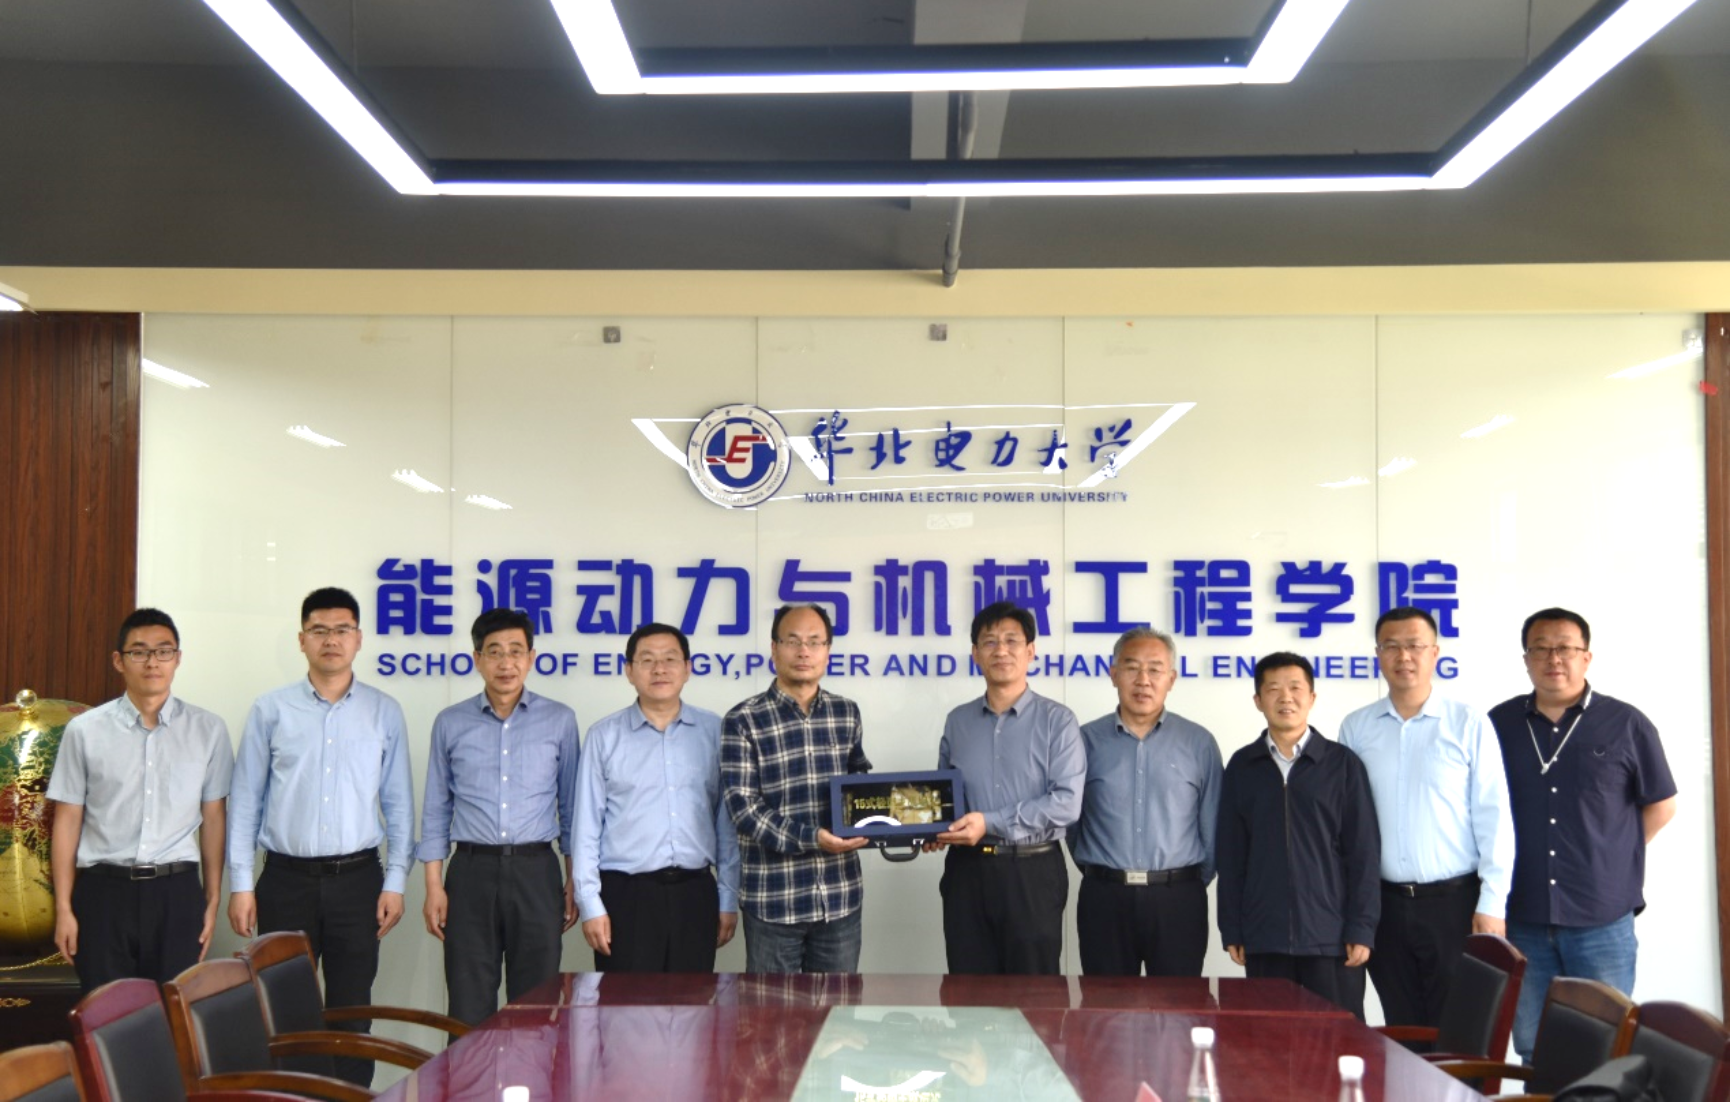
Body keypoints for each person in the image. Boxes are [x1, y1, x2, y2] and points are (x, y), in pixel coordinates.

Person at [226, 587, 415, 1086]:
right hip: (284, 881)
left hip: (359, 882)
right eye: (320, 630)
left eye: (342, 630)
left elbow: (399, 805)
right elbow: (245, 802)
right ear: (302, 639)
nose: (331, 640)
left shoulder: (383, 711)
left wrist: (395, 882)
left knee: (352, 1014)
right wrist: (241, 884)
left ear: (359, 638)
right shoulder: (271, 710)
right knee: (285, 1017)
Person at [1488, 608, 1677, 1062]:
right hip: (1523, 914)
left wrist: (1612, 856)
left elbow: (1662, 804)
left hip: (1602, 917)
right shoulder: (1499, 724)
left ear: (1586, 657)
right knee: (1532, 1046)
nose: (1553, 658)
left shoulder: (1626, 723)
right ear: (1526, 659)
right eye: (1541, 649)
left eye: (1565, 648)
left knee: (1605, 1047)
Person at [1338, 606, 1514, 1029]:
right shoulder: (1356, 728)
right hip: (1383, 906)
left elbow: (1494, 817)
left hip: (1455, 905)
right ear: (1378, 655)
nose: (1404, 656)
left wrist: (1492, 902)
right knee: (1401, 1026)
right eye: (1391, 646)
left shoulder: (1468, 723)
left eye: (1415, 646)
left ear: (1434, 653)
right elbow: (1346, 825)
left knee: (1459, 1029)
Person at [48, 608, 233, 993]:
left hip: (176, 893)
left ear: (177, 658)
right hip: (103, 894)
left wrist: (212, 899)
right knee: (107, 1013)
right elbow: (67, 820)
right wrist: (64, 908)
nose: (152, 662)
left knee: (174, 1013)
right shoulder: (84, 731)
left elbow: (214, 816)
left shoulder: (208, 729)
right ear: (119, 661)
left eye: (163, 651)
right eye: (139, 652)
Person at [418, 608, 580, 1024]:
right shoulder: (450, 723)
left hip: (536, 870)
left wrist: (573, 879)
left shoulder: (560, 720)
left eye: (515, 651)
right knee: (468, 1006)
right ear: (477, 659)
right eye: (494, 652)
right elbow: (436, 809)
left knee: (536, 1006)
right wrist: (434, 886)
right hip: (471, 872)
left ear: (531, 657)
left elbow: (571, 809)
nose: (506, 663)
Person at [1217, 652, 1380, 1020]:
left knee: (1338, 1039)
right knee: (1270, 1040)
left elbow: (1364, 854)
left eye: (1295, 688)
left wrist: (1362, 927)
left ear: (1312, 697)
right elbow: (1231, 853)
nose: (1285, 698)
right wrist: (1232, 928)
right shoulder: (1243, 766)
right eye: (1273, 689)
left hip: (1331, 938)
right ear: (1258, 700)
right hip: (1265, 935)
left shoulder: (1342, 765)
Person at [575, 622, 740, 972]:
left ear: (688, 668)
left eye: (670, 659)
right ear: (629, 671)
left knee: (693, 1002)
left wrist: (727, 897)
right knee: (625, 1004)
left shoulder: (715, 731)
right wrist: (590, 904)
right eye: (647, 660)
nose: (659, 669)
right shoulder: (604, 736)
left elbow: (726, 824)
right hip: (625, 897)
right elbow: (585, 828)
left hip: (695, 894)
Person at [933, 600, 1086, 975]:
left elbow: (1067, 803)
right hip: (966, 873)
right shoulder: (958, 722)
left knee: (1034, 992)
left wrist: (990, 822)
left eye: (1011, 640)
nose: (1001, 650)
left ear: (1030, 651)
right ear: (975, 654)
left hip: (1032, 872)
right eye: (989, 642)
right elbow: (944, 797)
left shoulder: (1058, 721)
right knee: (967, 986)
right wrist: (933, 829)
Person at [722, 604, 870, 973]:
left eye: (815, 642)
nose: (804, 651)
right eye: (793, 641)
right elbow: (745, 810)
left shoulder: (846, 712)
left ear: (827, 651)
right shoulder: (742, 720)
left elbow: (858, 782)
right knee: (770, 1010)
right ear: (774, 649)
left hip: (839, 897)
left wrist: (884, 820)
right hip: (774, 899)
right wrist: (813, 838)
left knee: (838, 1008)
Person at [1068, 627, 1221, 977]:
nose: (1143, 680)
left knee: (1178, 1005)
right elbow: (1072, 822)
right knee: (1105, 1006)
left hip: (1177, 900)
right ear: (1113, 674)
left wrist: (1183, 883)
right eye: (1132, 667)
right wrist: (1103, 873)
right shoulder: (1084, 741)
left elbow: (1212, 826)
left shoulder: (1199, 743)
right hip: (1104, 896)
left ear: (1172, 679)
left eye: (1155, 669)